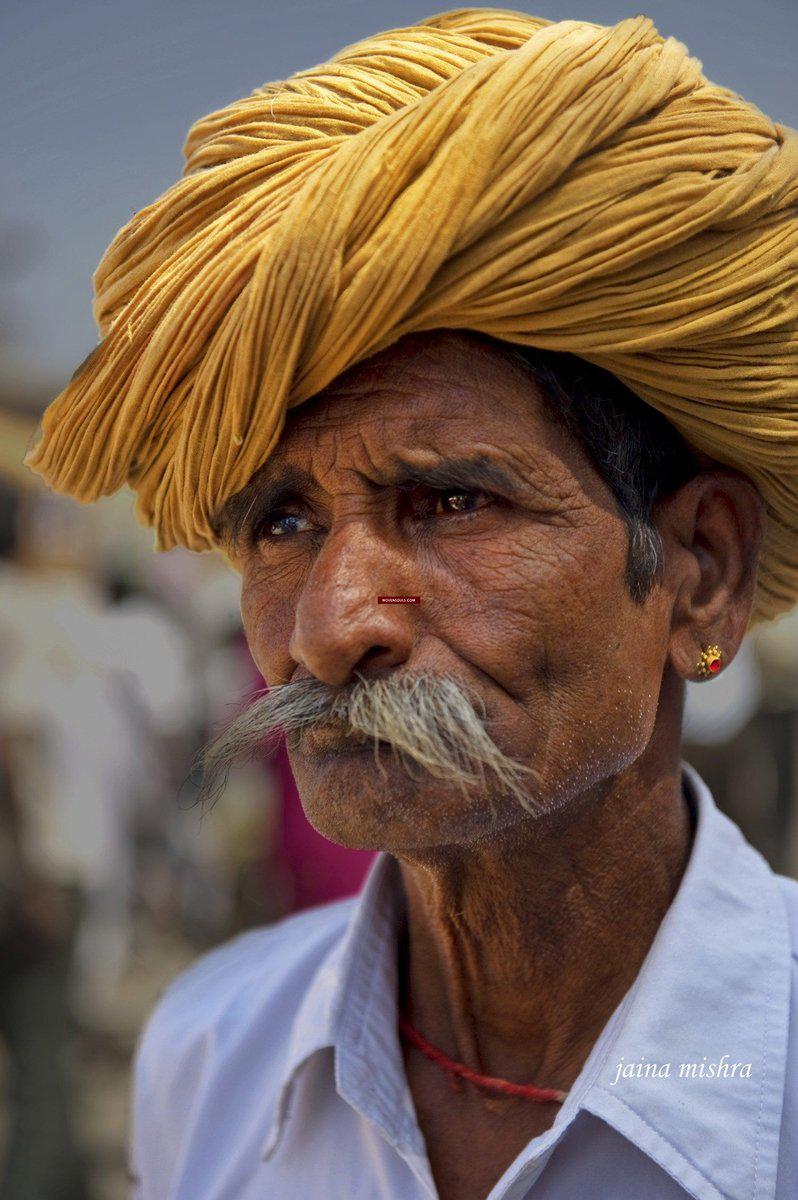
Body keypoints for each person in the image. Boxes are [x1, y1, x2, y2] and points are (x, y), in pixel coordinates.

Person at [23, 9, 798, 1199]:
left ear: (700, 572)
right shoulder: (212, 1056)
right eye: (282, 524)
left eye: (449, 504)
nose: (331, 629)